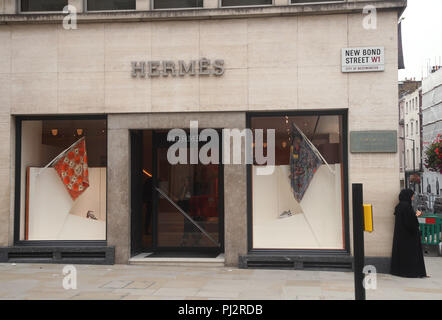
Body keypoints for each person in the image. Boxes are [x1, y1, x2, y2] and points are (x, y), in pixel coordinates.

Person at [391, 189, 428, 278]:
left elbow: (406, 219)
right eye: (411, 196)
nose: (412, 198)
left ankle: (400, 271)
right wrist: (417, 217)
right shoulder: (406, 206)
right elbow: (410, 222)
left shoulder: (399, 206)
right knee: (411, 255)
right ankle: (412, 272)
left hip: (401, 235)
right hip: (409, 236)